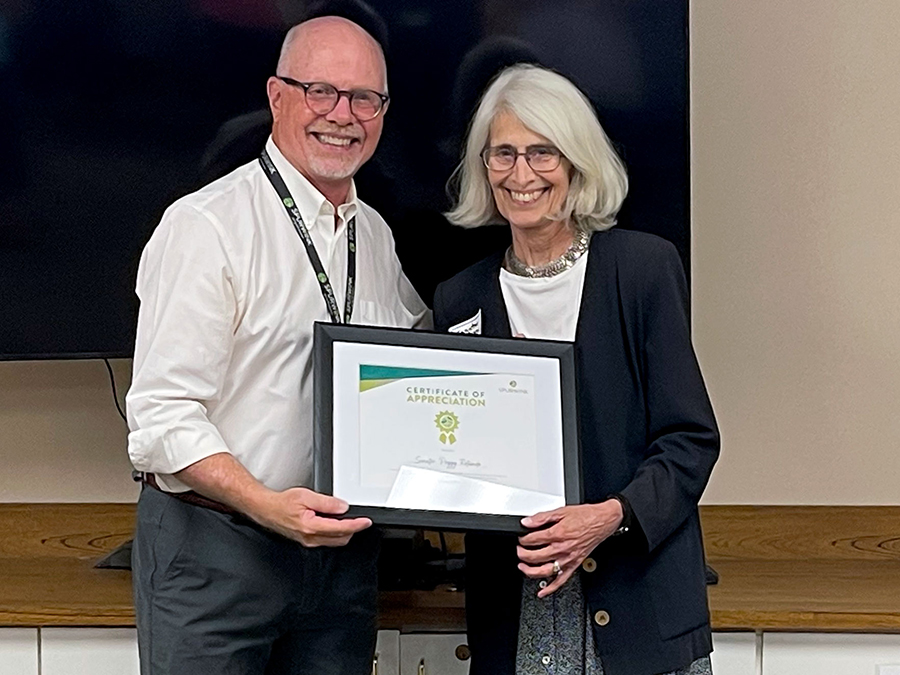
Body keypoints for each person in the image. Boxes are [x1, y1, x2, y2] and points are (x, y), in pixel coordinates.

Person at [126, 15, 430, 675]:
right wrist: (268, 505)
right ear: (276, 95)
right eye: (321, 90)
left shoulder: (372, 234)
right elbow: (161, 414)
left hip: (341, 560)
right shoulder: (206, 227)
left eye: (364, 99)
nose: (342, 115)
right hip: (217, 551)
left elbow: (417, 356)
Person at [433, 64, 719, 675]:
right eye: (503, 154)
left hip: (639, 602)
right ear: (485, 168)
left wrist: (609, 517)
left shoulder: (642, 271)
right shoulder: (459, 300)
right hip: (517, 611)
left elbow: (690, 440)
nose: (521, 173)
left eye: (543, 153)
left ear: (576, 163)